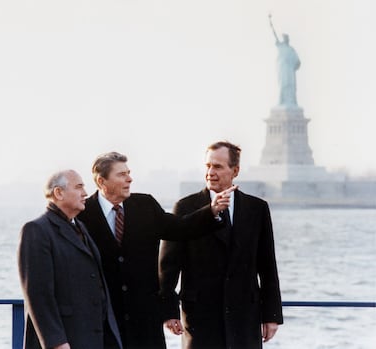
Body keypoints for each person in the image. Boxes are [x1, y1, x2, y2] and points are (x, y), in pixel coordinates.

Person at [77, 151, 234, 349]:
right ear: (102, 181)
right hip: (104, 322)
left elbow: (181, 228)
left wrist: (211, 210)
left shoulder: (145, 205)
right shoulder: (83, 214)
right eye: (121, 175)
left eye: (129, 172)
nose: (129, 179)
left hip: (145, 322)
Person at [159, 141, 283, 349]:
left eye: (217, 167)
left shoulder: (257, 208)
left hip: (244, 316)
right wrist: (168, 312)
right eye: (208, 166)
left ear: (235, 170)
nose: (210, 173)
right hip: (200, 317)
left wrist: (271, 315)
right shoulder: (185, 207)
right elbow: (168, 265)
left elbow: (267, 265)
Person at [17, 169, 122, 349]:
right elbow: (38, 294)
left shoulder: (80, 227)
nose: (85, 193)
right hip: (66, 340)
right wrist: (56, 342)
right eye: (79, 187)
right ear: (59, 193)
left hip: (94, 337)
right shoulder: (37, 230)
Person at [269, 15, 300, 106]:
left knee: (291, 86)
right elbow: (274, 36)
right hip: (283, 70)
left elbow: (298, 62)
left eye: (287, 37)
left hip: (290, 71)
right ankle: (281, 101)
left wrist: (294, 65)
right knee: (283, 86)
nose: (286, 39)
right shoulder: (281, 46)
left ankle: (292, 102)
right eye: (285, 37)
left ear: (288, 39)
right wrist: (271, 25)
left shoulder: (291, 49)